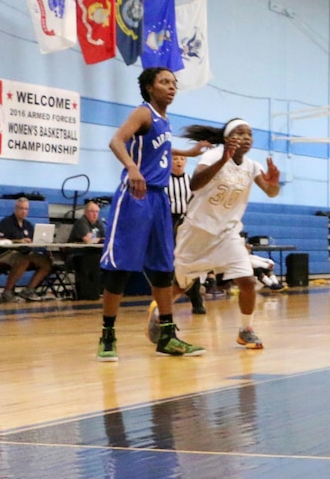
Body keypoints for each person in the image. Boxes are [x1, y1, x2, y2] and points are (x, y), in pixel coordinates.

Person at [97, 67, 202, 360]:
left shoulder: (164, 120)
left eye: (174, 83)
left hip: (158, 199)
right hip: (135, 196)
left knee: (163, 268)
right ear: (149, 87)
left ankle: (167, 335)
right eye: (165, 82)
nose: (172, 87)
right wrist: (132, 168)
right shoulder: (142, 113)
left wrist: (190, 154)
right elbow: (116, 141)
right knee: (120, 268)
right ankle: (107, 335)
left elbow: (162, 149)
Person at [159, 119, 282, 350]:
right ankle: (158, 313)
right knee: (182, 285)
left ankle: (246, 330)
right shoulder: (213, 156)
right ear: (227, 138)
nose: (246, 137)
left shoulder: (252, 166)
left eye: (250, 133)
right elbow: (194, 184)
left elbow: (271, 192)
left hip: (228, 233)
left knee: (246, 280)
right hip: (198, 230)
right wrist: (223, 159)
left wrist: (274, 184)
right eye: (239, 132)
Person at [164, 149, 207, 314]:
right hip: (168, 222)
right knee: (170, 263)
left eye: (182, 159)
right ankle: (166, 304)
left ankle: (197, 302)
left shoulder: (191, 181)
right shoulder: (163, 180)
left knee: (190, 261)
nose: (179, 161)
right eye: (175, 159)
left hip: (188, 223)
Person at [0, 196, 53, 302]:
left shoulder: (28, 225)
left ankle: (29, 290)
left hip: (25, 253)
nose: (23, 211)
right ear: (15, 209)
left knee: (46, 262)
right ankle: (7, 293)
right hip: (4, 254)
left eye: (26, 209)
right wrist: (18, 241)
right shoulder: (6, 222)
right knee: (23, 260)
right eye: (21, 208)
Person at [66, 200, 107, 300]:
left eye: (97, 212)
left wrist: (98, 239)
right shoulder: (81, 222)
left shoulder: (99, 223)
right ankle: (88, 293)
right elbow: (88, 240)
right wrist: (99, 239)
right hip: (76, 255)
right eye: (92, 211)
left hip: (93, 253)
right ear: (85, 212)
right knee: (94, 259)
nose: (95, 214)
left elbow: (106, 238)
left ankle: (102, 290)